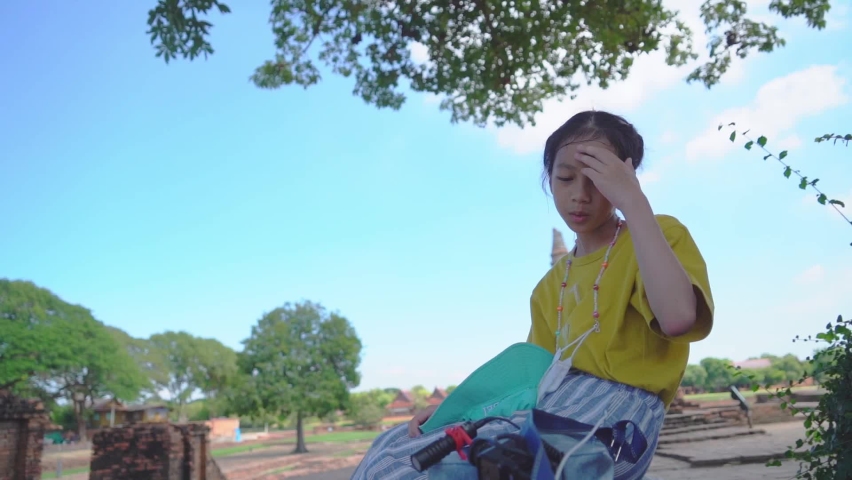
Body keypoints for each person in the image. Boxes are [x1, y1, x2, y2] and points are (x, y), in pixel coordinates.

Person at [351, 110, 714, 480]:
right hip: (549, 406)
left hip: (615, 418)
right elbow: (533, 380)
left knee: (482, 465)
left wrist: (634, 201)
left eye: (597, 179)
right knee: (393, 449)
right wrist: (458, 412)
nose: (580, 195)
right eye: (566, 178)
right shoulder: (550, 285)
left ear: (624, 177)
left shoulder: (655, 236)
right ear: (549, 179)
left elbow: (678, 318)